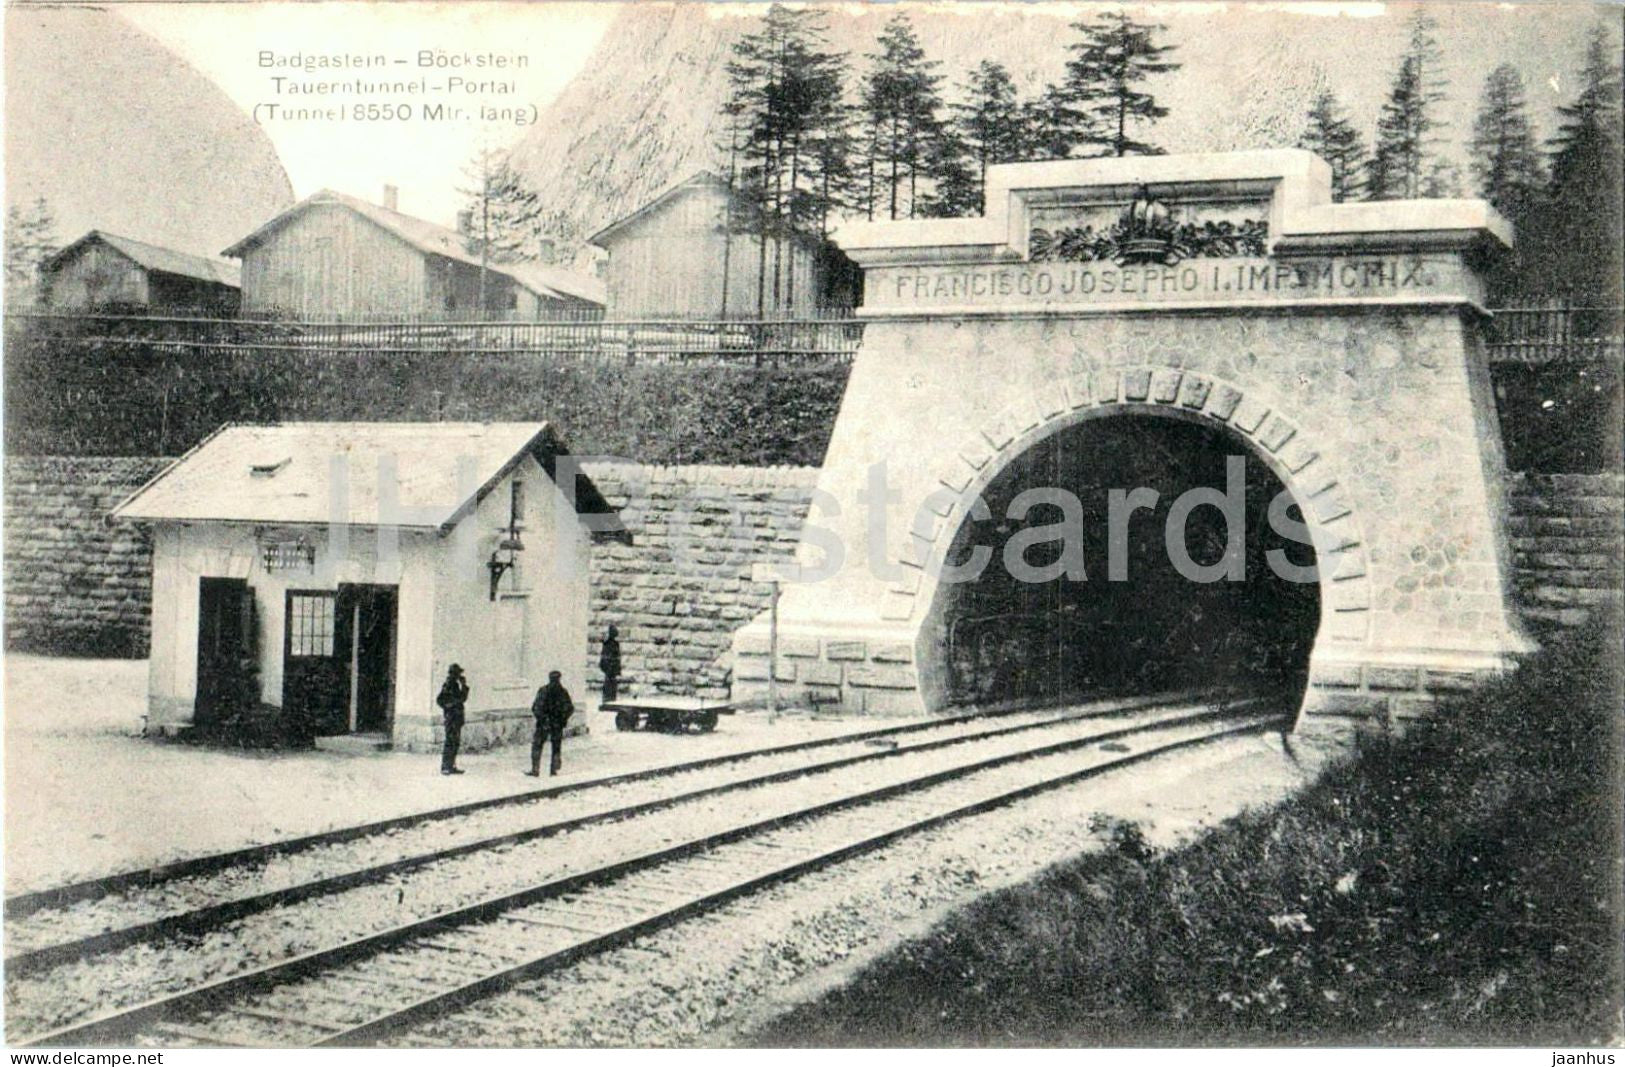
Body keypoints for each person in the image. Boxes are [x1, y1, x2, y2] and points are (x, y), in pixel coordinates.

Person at [528, 670, 574, 777]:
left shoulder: (544, 690)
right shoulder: (563, 692)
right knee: (556, 746)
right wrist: (562, 720)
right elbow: (570, 708)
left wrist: (542, 719)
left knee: (537, 745)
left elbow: (536, 707)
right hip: (557, 724)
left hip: (544, 724)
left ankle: (535, 769)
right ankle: (554, 769)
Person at [436, 664, 469, 775]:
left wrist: (464, 686)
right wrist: (449, 707)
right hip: (452, 718)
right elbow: (440, 700)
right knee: (450, 741)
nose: (460, 675)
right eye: (458, 673)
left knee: (455, 742)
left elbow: (462, 698)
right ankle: (446, 766)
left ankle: (451, 766)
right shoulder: (449, 684)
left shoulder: (454, 684)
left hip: (456, 717)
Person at [598, 624, 622, 704]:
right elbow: (605, 657)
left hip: (612, 669)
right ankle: (608, 699)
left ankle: (611, 698)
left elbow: (617, 657)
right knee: (609, 684)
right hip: (609, 669)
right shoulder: (608, 644)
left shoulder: (615, 644)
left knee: (612, 685)